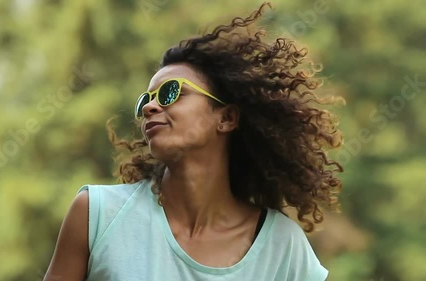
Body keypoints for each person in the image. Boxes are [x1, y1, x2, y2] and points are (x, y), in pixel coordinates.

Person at [44, 3, 343, 281]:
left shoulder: (283, 246)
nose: (150, 107)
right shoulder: (96, 215)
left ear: (226, 118)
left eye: (171, 92)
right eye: (146, 100)